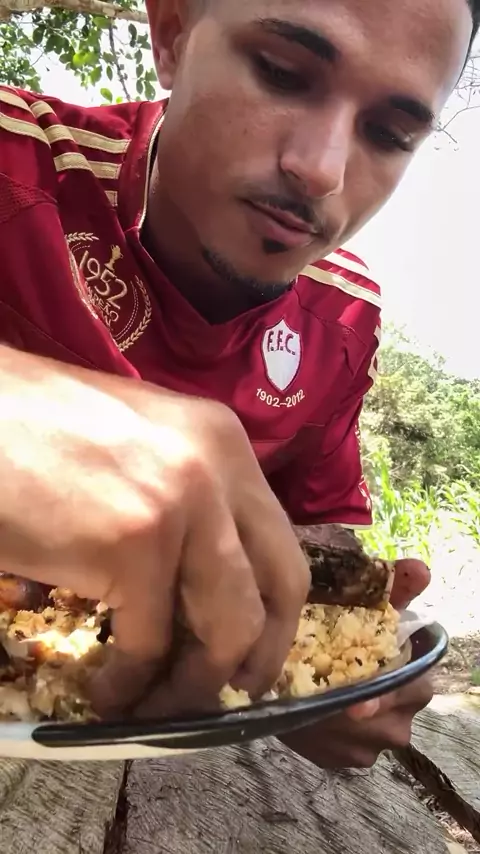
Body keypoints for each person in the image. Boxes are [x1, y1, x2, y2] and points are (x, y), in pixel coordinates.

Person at [0, 0, 476, 767]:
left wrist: (328, 678)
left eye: (389, 134)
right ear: (171, 33)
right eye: (282, 73)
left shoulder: (343, 317)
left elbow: (314, 554)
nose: (322, 169)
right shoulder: (17, 163)